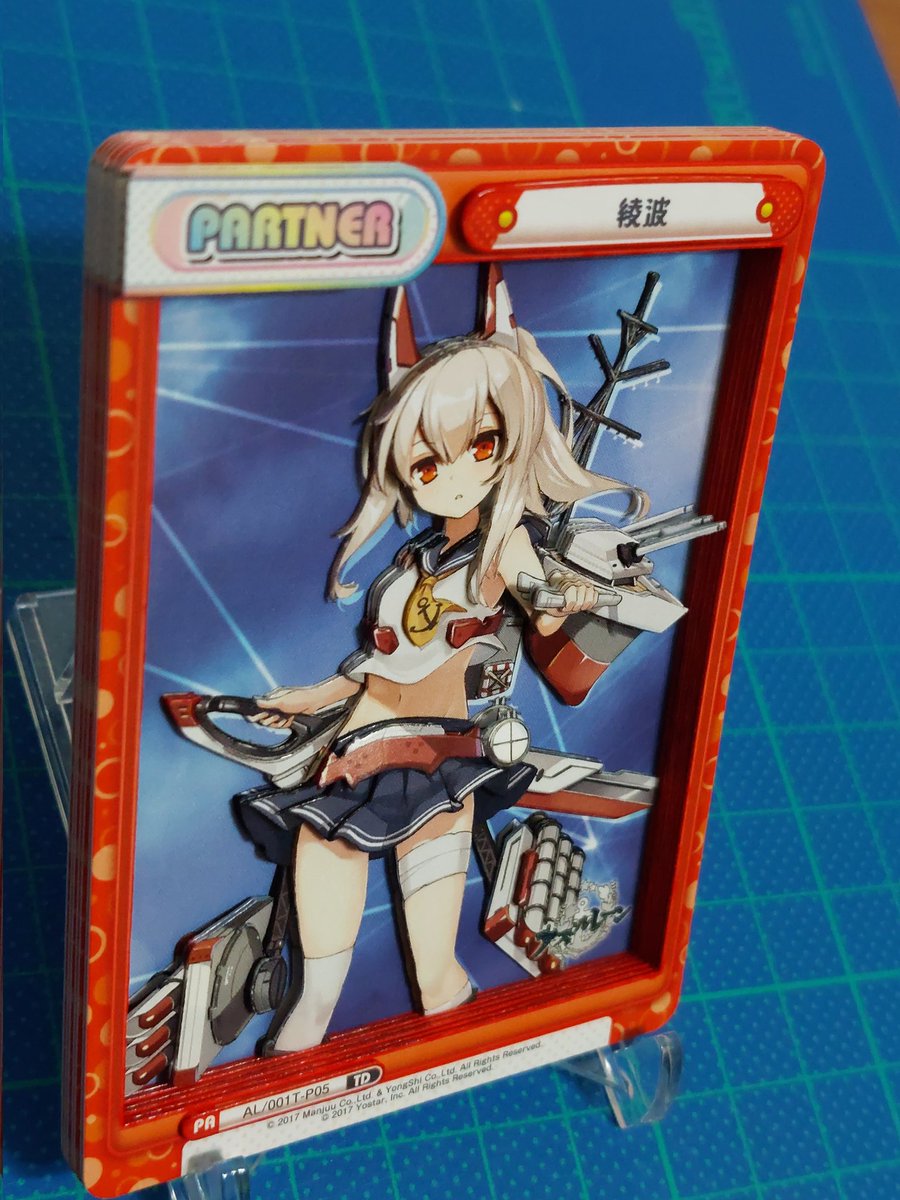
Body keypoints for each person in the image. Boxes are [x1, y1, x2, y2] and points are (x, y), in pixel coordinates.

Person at [236, 264, 647, 1055]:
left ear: (511, 443)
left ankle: (457, 1039)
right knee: (321, 873)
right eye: (426, 465)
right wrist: (308, 700)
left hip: (436, 757)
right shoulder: (412, 563)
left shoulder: (505, 543)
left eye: (480, 446)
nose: (452, 478)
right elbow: (381, 661)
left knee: (434, 974)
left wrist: (565, 597)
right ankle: (307, 1032)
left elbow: (538, 594)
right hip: (358, 751)